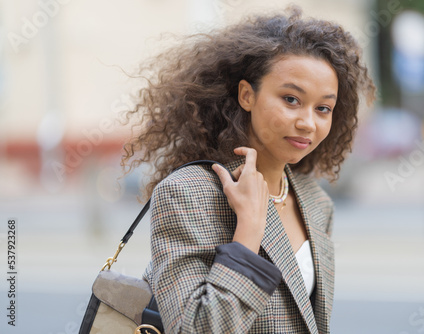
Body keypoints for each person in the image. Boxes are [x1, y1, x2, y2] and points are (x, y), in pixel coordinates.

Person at [121, 6, 375, 334]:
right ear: (247, 95)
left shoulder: (316, 203)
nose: (307, 123)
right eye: (291, 99)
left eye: (323, 108)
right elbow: (195, 329)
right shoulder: (188, 192)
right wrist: (249, 232)